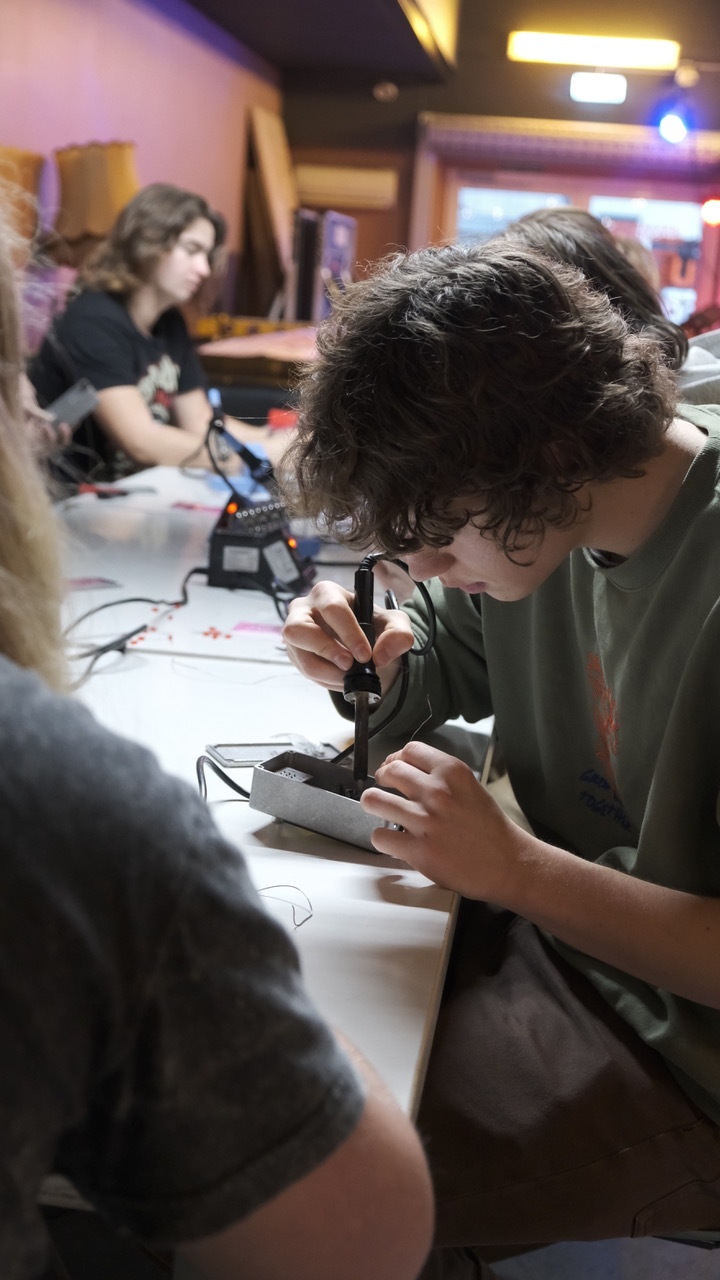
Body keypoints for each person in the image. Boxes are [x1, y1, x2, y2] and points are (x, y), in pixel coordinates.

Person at [0, 203, 433, 1280]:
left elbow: (193, 427)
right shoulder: (60, 801)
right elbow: (363, 1232)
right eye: (13, 365)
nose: (29, 401)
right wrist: (188, 922)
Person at [279, 239, 720, 1277]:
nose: (424, 567)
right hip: (561, 944)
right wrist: (375, 667)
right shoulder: (539, 526)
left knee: (287, 1183)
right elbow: (441, 642)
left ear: (556, 455)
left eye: (446, 536)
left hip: (687, 1052)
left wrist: (515, 868)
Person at [29, 182, 243, 479]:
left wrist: (276, 444)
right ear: (148, 242)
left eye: (207, 256)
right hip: (73, 501)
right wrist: (240, 459)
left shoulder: (170, 323)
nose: (204, 269)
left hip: (133, 496)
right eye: (192, 250)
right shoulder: (91, 321)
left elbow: (202, 424)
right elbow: (141, 441)